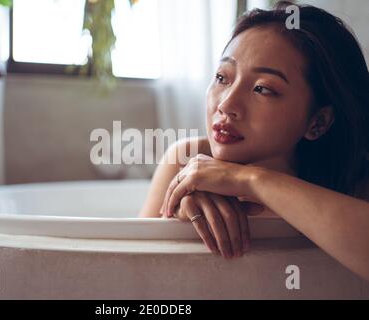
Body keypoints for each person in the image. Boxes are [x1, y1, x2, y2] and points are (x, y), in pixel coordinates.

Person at [139, 1, 369, 281]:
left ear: (318, 122)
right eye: (223, 77)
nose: (226, 103)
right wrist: (175, 220)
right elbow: (135, 280)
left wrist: (251, 180)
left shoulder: (355, 182)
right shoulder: (187, 160)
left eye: (262, 88)